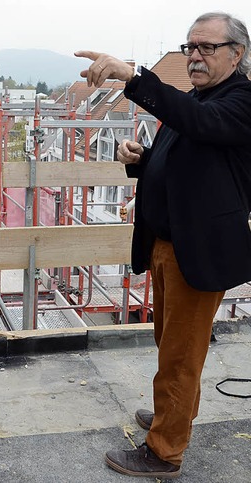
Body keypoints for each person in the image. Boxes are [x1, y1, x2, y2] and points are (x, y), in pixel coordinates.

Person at [75, 11, 251, 478]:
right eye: (190, 46)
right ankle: (174, 417)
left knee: (179, 356)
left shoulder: (240, 101)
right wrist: (142, 160)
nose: (194, 56)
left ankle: (164, 452)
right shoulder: (198, 100)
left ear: (237, 54)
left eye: (206, 48)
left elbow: (199, 124)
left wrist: (134, 76)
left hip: (197, 250)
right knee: (170, 345)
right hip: (167, 244)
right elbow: (190, 161)